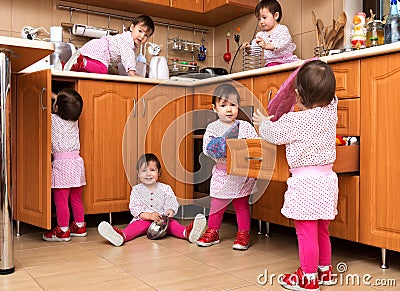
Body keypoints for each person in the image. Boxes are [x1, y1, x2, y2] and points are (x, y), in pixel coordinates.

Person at [253, 60, 338, 290]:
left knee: (306, 231)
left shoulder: (294, 120)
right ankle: (325, 271)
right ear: (330, 96)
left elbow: (272, 134)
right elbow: (330, 97)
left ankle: (308, 278)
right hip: (328, 181)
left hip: (305, 183)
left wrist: (261, 123)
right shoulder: (330, 114)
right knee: (322, 229)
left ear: (299, 94)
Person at [196, 84, 258, 250]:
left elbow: (255, 146)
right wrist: (219, 147)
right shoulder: (213, 128)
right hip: (222, 172)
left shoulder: (245, 126)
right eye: (223, 105)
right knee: (217, 203)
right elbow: (207, 150)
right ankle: (213, 231)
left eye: (233, 105)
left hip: (242, 173)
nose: (229, 109)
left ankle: (243, 234)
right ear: (214, 108)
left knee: (241, 204)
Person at [97, 153, 207, 246]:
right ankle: (121, 236)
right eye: (144, 170)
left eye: (152, 170)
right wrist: (149, 216)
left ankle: (187, 232)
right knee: (135, 227)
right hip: (143, 220)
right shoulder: (136, 190)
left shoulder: (165, 188)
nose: (148, 174)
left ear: (158, 173)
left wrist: (170, 211)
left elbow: (172, 202)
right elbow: (135, 208)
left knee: (173, 225)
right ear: (138, 174)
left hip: (162, 222)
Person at [43, 88, 86, 242]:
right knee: (76, 198)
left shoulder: (52, 120)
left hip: (62, 164)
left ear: (57, 108)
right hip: (76, 163)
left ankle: (62, 229)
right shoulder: (74, 121)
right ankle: (79, 225)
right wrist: (58, 98)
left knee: (61, 199)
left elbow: (48, 110)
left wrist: (50, 94)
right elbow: (65, 105)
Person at [64, 15, 155, 77]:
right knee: (102, 70)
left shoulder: (130, 42)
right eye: (140, 31)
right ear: (132, 27)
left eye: (146, 35)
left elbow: (124, 59)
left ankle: (68, 64)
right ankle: (82, 62)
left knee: (87, 70)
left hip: (96, 47)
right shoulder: (128, 40)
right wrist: (133, 74)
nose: (142, 36)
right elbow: (128, 57)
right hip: (101, 48)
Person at [242, 0, 299, 67]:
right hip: (272, 63)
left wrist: (266, 46)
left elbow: (282, 43)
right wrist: (248, 48)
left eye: (264, 17)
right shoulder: (260, 35)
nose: (261, 22)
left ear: (276, 16)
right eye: (259, 19)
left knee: (304, 66)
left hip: (288, 61)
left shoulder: (282, 29)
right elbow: (255, 51)